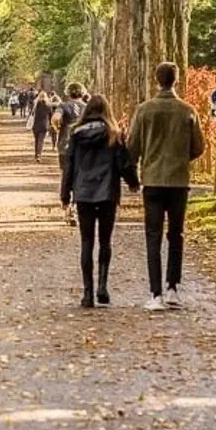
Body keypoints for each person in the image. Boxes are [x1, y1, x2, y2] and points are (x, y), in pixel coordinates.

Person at [128, 62, 205, 311]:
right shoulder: (188, 111)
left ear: (156, 79)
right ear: (176, 80)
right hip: (178, 181)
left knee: (153, 235)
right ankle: (173, 288)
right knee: (176, 235)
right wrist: (180, 159)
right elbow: (198, 147)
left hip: (152, 180)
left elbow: (133, 147)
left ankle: (155, 293)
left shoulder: (144, 110)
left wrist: (135, 169)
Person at [60, 94, 139, 308]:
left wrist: (65, 194)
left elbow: (70, 165)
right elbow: (123, 163)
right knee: (105, 241)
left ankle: (87, 293)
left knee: (86, 242)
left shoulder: (76, 135)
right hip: (107, 193)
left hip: (84, 192)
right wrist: (133, 182)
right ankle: (102, 286)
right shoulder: (114, 134)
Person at [53, 83, 88, 224]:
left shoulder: (63, 106)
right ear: (82, 93)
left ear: (68, 93)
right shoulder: (87, 107)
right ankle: (76, 205)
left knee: (66, 175)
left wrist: (57, 127)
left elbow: (55, 118)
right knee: (80, 176)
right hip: (83, 146)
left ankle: (67, 205)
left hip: (65, 146)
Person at [30, 91, 53, 162]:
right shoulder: (48, 105)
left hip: (36, 124)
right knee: (41, 140)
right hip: (44, 125)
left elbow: (32, 113)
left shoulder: (36, 104)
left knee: (36, 140)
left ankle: (36, 154)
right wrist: (50, 124)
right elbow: (51, 115)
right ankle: (39, 155)